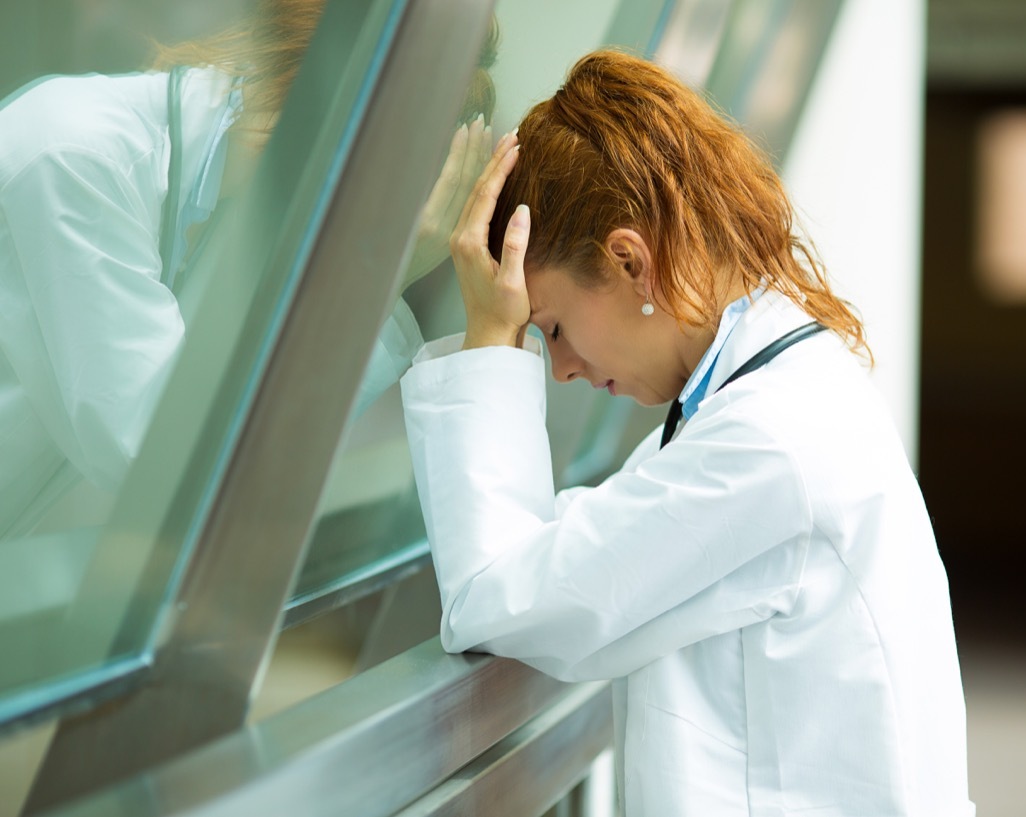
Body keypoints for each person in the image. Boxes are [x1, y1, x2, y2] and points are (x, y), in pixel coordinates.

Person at [400, 50, 974, 817]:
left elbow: (499, 600)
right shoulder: (756, 407)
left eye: (553, 327)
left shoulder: (772, 445)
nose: (560, 368)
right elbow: (560, 548)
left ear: (630, 261)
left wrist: (485, 331)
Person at [0, 0, 496, 539]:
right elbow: (156, 459)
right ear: (317, 115)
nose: (352, 217)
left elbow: (248, 459)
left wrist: (386, 283)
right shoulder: (74, 157)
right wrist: (382, 285)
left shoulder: (217, 204)